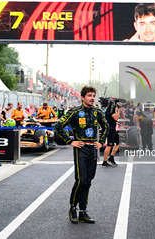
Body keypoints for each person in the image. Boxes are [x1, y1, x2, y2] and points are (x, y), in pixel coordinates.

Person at [54, 86, 108, 224]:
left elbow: (106, 126)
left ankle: (83, 211)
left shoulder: (97, 112)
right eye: (89, 95)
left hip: (92, 150)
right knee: (80, 180)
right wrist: (70, 141)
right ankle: (73, 208)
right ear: (83, 97)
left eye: (93, 95)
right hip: (81, 149)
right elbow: (58, 125)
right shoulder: (75, 112)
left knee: (88, 181)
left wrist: (101, 142)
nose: (92, 98)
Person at [102, 100, 120, 167]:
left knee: (118, 142)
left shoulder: (111, 110)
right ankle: (105, 161)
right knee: (109, 145)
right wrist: (118, 110)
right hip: (110, 129)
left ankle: (111, 157)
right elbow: (116, 118)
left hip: (113, 129)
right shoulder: (110, 110)